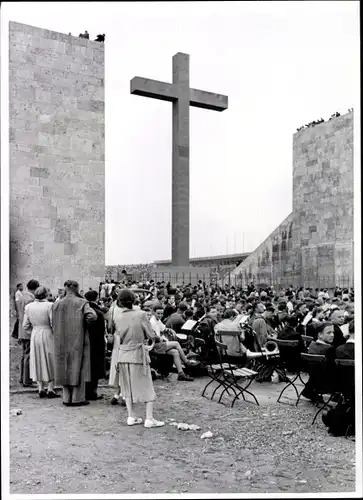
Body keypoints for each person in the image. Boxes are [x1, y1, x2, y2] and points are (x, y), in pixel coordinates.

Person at [114, 289, 164, 428]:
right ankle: (149, 418)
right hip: (138, 354)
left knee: (127, 387)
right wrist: (155, 337)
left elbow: (118, 336)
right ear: (133, 300)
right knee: (147, 385)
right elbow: (151, 335)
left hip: (123, 354)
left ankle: (131, 416)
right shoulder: (141, 314)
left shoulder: (117, 317)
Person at [52, 280, 97, 406]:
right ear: (77, 288)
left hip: (61, 339)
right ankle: (77, 398)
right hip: (79, 339)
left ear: (65, 288)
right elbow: (92, 316)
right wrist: (84, 324)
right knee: (79, 367)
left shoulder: (56, 304)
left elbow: (52, 321)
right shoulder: (82, 302)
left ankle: (66, 398)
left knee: (64, 368)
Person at [23, 286, 60, 398]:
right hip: (48, 333)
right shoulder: (50, 305)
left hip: (35, 333)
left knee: (37, 359)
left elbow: (25, 325)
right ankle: (50, 388)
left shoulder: (28, 307)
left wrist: (33, 331)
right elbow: (53, 322)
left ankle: (40, 388)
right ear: (45, 294)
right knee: (50, 359)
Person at [301, 322, 336, 403]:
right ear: (320, 335)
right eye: (329, 333)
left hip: (313, 380)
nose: (332, 335)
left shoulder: (312, 345)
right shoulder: (329, 349)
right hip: (326, 382)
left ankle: (309, 390)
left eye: (333, 332)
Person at [84, 290, 106, 400]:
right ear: (96, 298)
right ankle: (92, 392)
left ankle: (85, 391)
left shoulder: (83, 310)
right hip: (97, 343)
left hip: (85, 342)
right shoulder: (99, 313)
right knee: (95, 369)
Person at [17, 279, 40, 387]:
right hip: (28, 330)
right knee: (28, 355)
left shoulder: (21, 296)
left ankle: (22, 378)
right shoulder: (31, 299)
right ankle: (27, 380)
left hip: (22, 329)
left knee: (23, 355)